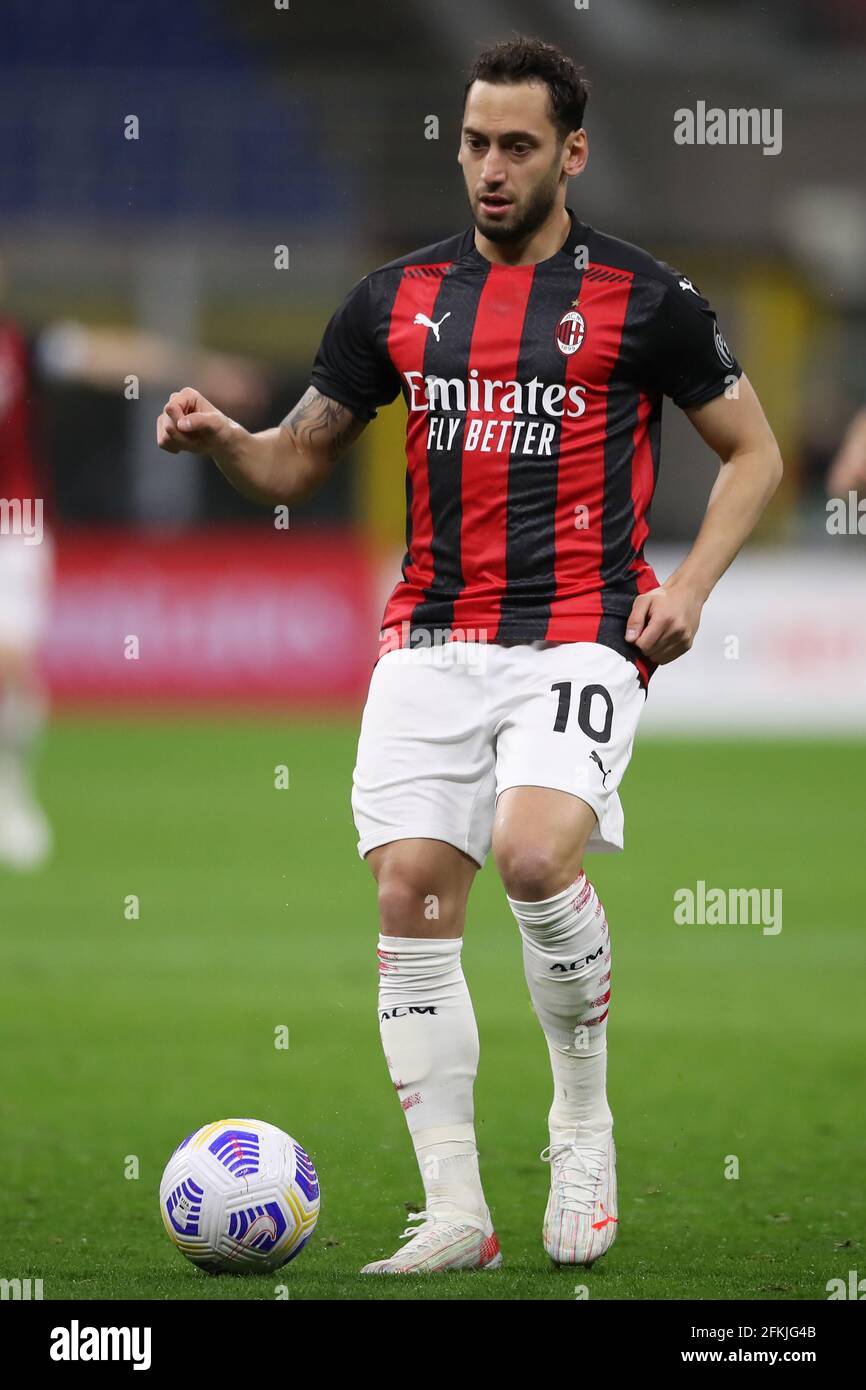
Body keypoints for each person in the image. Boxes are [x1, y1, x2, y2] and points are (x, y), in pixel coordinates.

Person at [156, 35, 783, 1273]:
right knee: (410, 898)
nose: (489, 169)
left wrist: (693, 587)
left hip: (584, 631)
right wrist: (228, 437)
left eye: (516, 147)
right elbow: (294, 458)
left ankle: (581, 1125)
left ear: (570, 153)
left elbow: (753, 452)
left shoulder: (646, 300)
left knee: (535, 853)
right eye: (473, 143)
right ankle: (455, 1211)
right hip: (430, 639)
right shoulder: (391, 300)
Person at [0, 261, 266, 870]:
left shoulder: (23, 344)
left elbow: (113, 354)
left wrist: (203, 370)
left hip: (13, 524)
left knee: (11, 663)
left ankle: (11, 795)